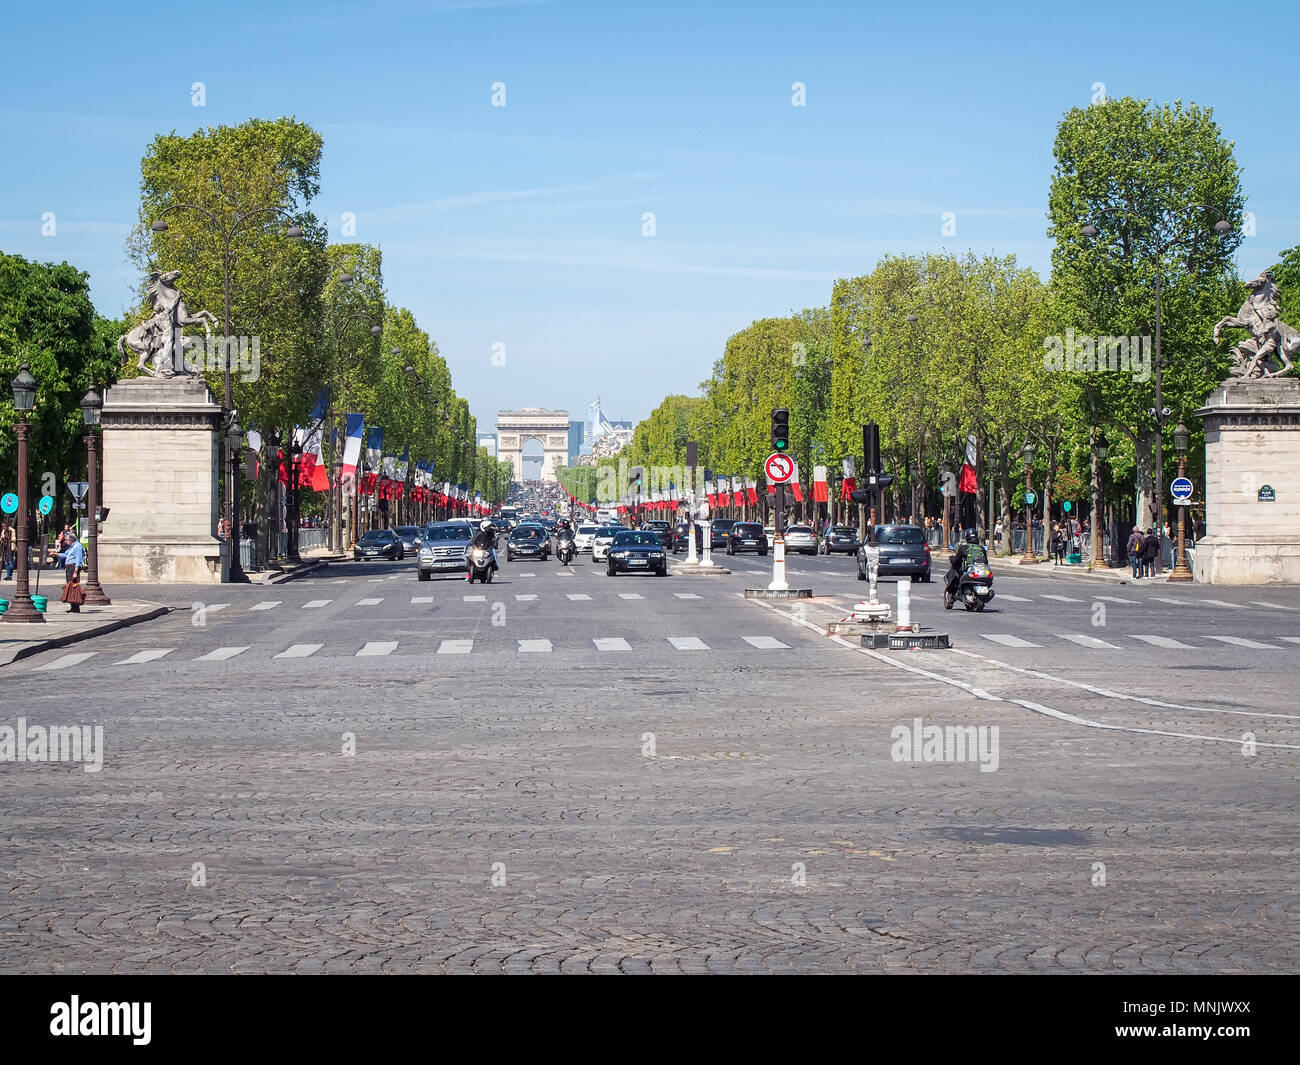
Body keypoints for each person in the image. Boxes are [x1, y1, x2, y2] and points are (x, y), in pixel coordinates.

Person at [945, 529, 981, 596]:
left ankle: (951, 593)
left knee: (953, 572)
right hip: (981, 572)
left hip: (967, 572)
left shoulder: (963, 548)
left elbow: (956, 560)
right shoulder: (982, 549)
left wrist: (951, 558)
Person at [61, 535, 86, 613]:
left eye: (67, 540)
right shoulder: (72, 546)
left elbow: (79, 559)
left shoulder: (78, 546)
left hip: (73, 568)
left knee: (74, 586)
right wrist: (55, 554)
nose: (65, 541)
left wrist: (75, 571)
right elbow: (65, 555)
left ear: (71, 539)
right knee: (70, 586)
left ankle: (76, 606)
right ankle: (72, 606)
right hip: (69, 568)